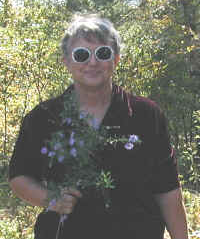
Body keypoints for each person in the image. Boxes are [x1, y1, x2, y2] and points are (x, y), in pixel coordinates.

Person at [9, 13, 188, 239]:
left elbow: (168, 191)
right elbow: (19, 175)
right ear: (67, 61)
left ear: (116, 59)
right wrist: (51, 199)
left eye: (103, 53)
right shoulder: (43, 118)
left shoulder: (147, 115)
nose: (92, 62)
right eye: (81, 54)